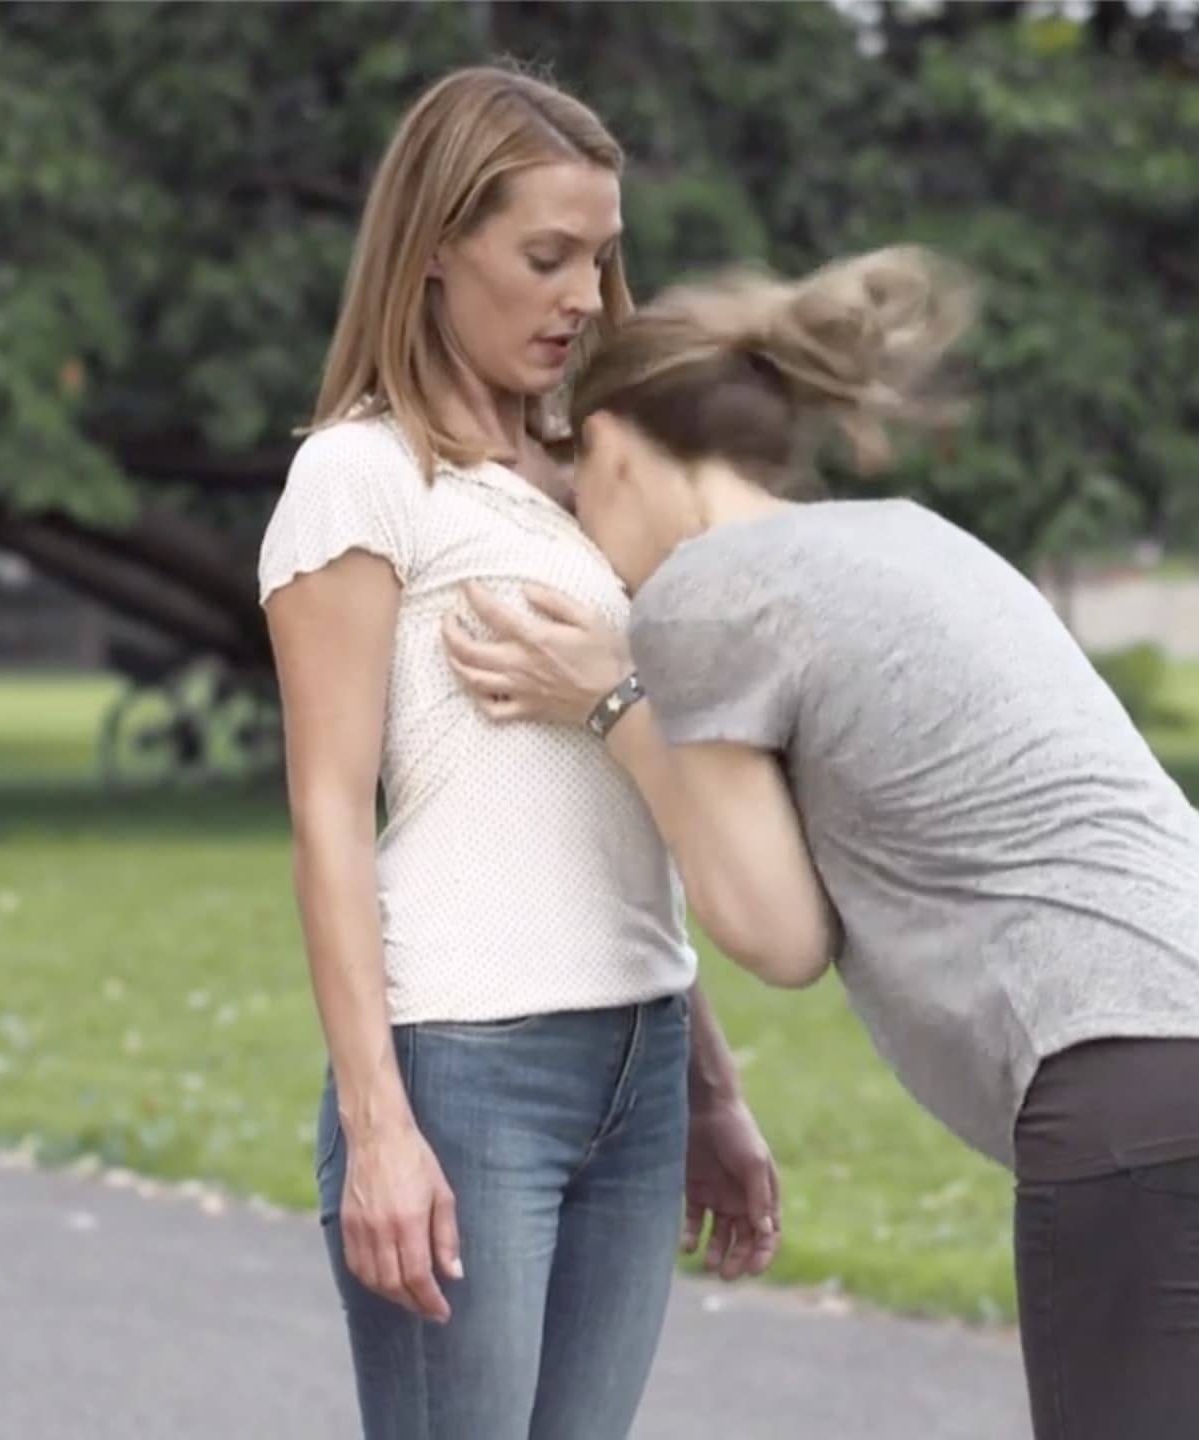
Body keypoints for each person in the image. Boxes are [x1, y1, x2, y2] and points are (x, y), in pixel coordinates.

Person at [440, 245, 1199, 1440]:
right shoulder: (901, 534)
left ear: (610, 441)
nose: (578, 525)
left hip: (1145, 1081)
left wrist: (615, 704)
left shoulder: (701, 595)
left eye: (570, 483)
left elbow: (777, 936)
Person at [255, 66, 780, 1440]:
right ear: (437, 249)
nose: (585, 298)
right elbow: (327, 817)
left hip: (641, 1061)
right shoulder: (362, 476)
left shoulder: (593, 477)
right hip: (465, 1072)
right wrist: (380, 1127)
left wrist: (710, 1090)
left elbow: (628, 806)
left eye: (600, 260)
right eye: (546, 258)